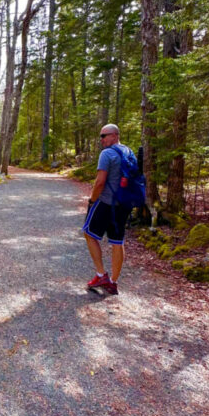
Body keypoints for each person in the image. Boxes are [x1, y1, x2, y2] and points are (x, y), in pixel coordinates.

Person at [82, 123, 131, 295]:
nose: (101, 140)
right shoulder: (128, 152)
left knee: (89, 233)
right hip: (124, 205)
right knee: (117, 241)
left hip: (105, 203)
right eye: (101, 136)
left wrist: (92, 200)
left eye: (104, 136)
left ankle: (101, 274)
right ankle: (113, 282)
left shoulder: (107, 154)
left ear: (115, 135)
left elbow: (100, 181)